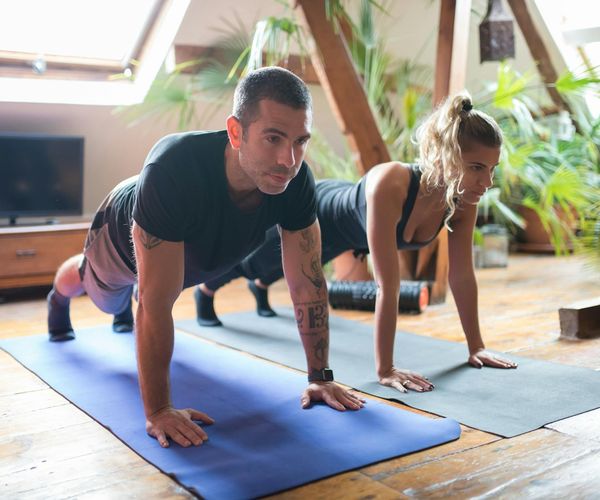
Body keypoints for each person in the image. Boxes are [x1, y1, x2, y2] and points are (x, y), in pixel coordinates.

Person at [46, 66, 364, 449]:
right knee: (100, 293)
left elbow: (307, 285)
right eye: (273, 138)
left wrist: (320, 375)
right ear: (236, 132)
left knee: (154, 287)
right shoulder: (175, 168)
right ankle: (58, 298)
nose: (288, 159)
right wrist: (159, 409)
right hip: (120, 234)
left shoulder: (295, 183)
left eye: (300, 141)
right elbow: (155, 301)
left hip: (191, 249)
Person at [196, 90, 518, 393]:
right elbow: (386, 286)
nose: (486, 182)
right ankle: (205, 290)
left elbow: (461, 276)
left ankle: (261, 286)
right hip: (323, 210)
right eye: (476, 167)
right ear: (446, 156)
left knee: (272, 269)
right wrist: (386, 369)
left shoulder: (462, 199)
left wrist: (477, 347)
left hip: (350, 236)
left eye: (491, 169)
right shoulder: (391, 184)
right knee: (255, 259)